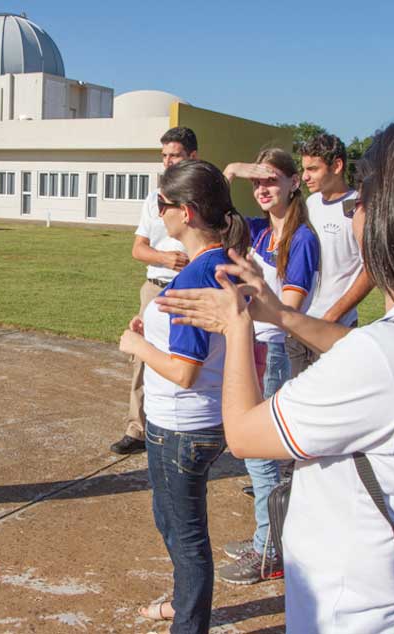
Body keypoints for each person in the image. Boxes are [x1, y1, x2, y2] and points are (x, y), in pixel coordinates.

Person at [156, 115, 394, 633]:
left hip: (355, 616)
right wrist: (280, 315)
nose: (353, 217)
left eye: (359, 206)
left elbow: (243, 434)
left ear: (388, 219)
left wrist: (237, 326)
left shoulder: (386, 361)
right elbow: (388, 352)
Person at [117, 159, 250, 634]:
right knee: (170, 520)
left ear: (187, 212)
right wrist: (150, 325)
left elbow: (185, 370)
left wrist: (138, 345)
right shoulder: (219, 263)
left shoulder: (199, 275)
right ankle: (182, 601)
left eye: (163, 204)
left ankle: (188, 622)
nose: (159, 214)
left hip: (182, 424)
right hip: (195, 420)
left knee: (186, 535)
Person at [215, 149, 319, 585]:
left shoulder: (302, 239)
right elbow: (217, 214)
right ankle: (266, 537)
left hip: (274, 350)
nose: (262, 189)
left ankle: (270, 548)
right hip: (253, 346)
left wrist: (245, 304)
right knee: (256, 456)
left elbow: (288, 307)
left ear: (295, 183)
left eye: (272, 179)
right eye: (256, 181)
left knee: (261, 453)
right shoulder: (257, 230)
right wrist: (232, 170)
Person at [110, 127, 198, 455]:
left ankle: (185, 429)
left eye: (174, 155)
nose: (167, 161)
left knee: (188, 359)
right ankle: (137, 428)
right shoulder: (154, 197)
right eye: (163, 156)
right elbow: (138, 249)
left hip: (190, 290)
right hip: (155, 288)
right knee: (142, 359)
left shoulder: (204, 193)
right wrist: (165, 258)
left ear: (192, 156)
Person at [289, 134, 372, 377]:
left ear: (337, 166)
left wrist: (333, 315)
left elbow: (373, 270)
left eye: (313, 169)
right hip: (298, 324)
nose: (305, 177)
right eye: (304, 169)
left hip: (334, 327)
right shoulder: (310, 203)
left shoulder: (360, 207)